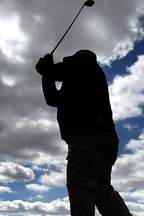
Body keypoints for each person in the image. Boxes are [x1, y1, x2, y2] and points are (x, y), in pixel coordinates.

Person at [35, 50, 132, 216]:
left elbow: (57, 71)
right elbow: (53, 99)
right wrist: (46, 75)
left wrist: (47, 69)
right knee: (102, 190)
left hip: (87, 138)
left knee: (80, 187)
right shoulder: (77, 81)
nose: (71, 59)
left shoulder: (86, 65)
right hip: (102, 139)